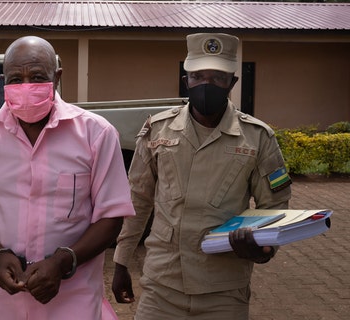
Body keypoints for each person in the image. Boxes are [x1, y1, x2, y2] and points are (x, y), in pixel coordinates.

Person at [112, 33, 292, 319]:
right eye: (198, 76)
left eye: (218, 77)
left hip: (224, 290)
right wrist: (121, 261)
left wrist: (264, 248)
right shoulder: (158, 130)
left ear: (231, 83)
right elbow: (138, 200)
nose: (207, 84)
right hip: (162, 285)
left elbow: (275, 206)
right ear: (187, 81)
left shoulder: (257, 137)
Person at [0, 35, 135, 320]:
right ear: (4, 80)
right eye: (16, 79)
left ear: (57, 77)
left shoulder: (96, 134)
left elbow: (111, 216)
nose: (26, 86)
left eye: (38, 76)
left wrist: (64, 260)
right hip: (5, 303)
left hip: (73, 301)